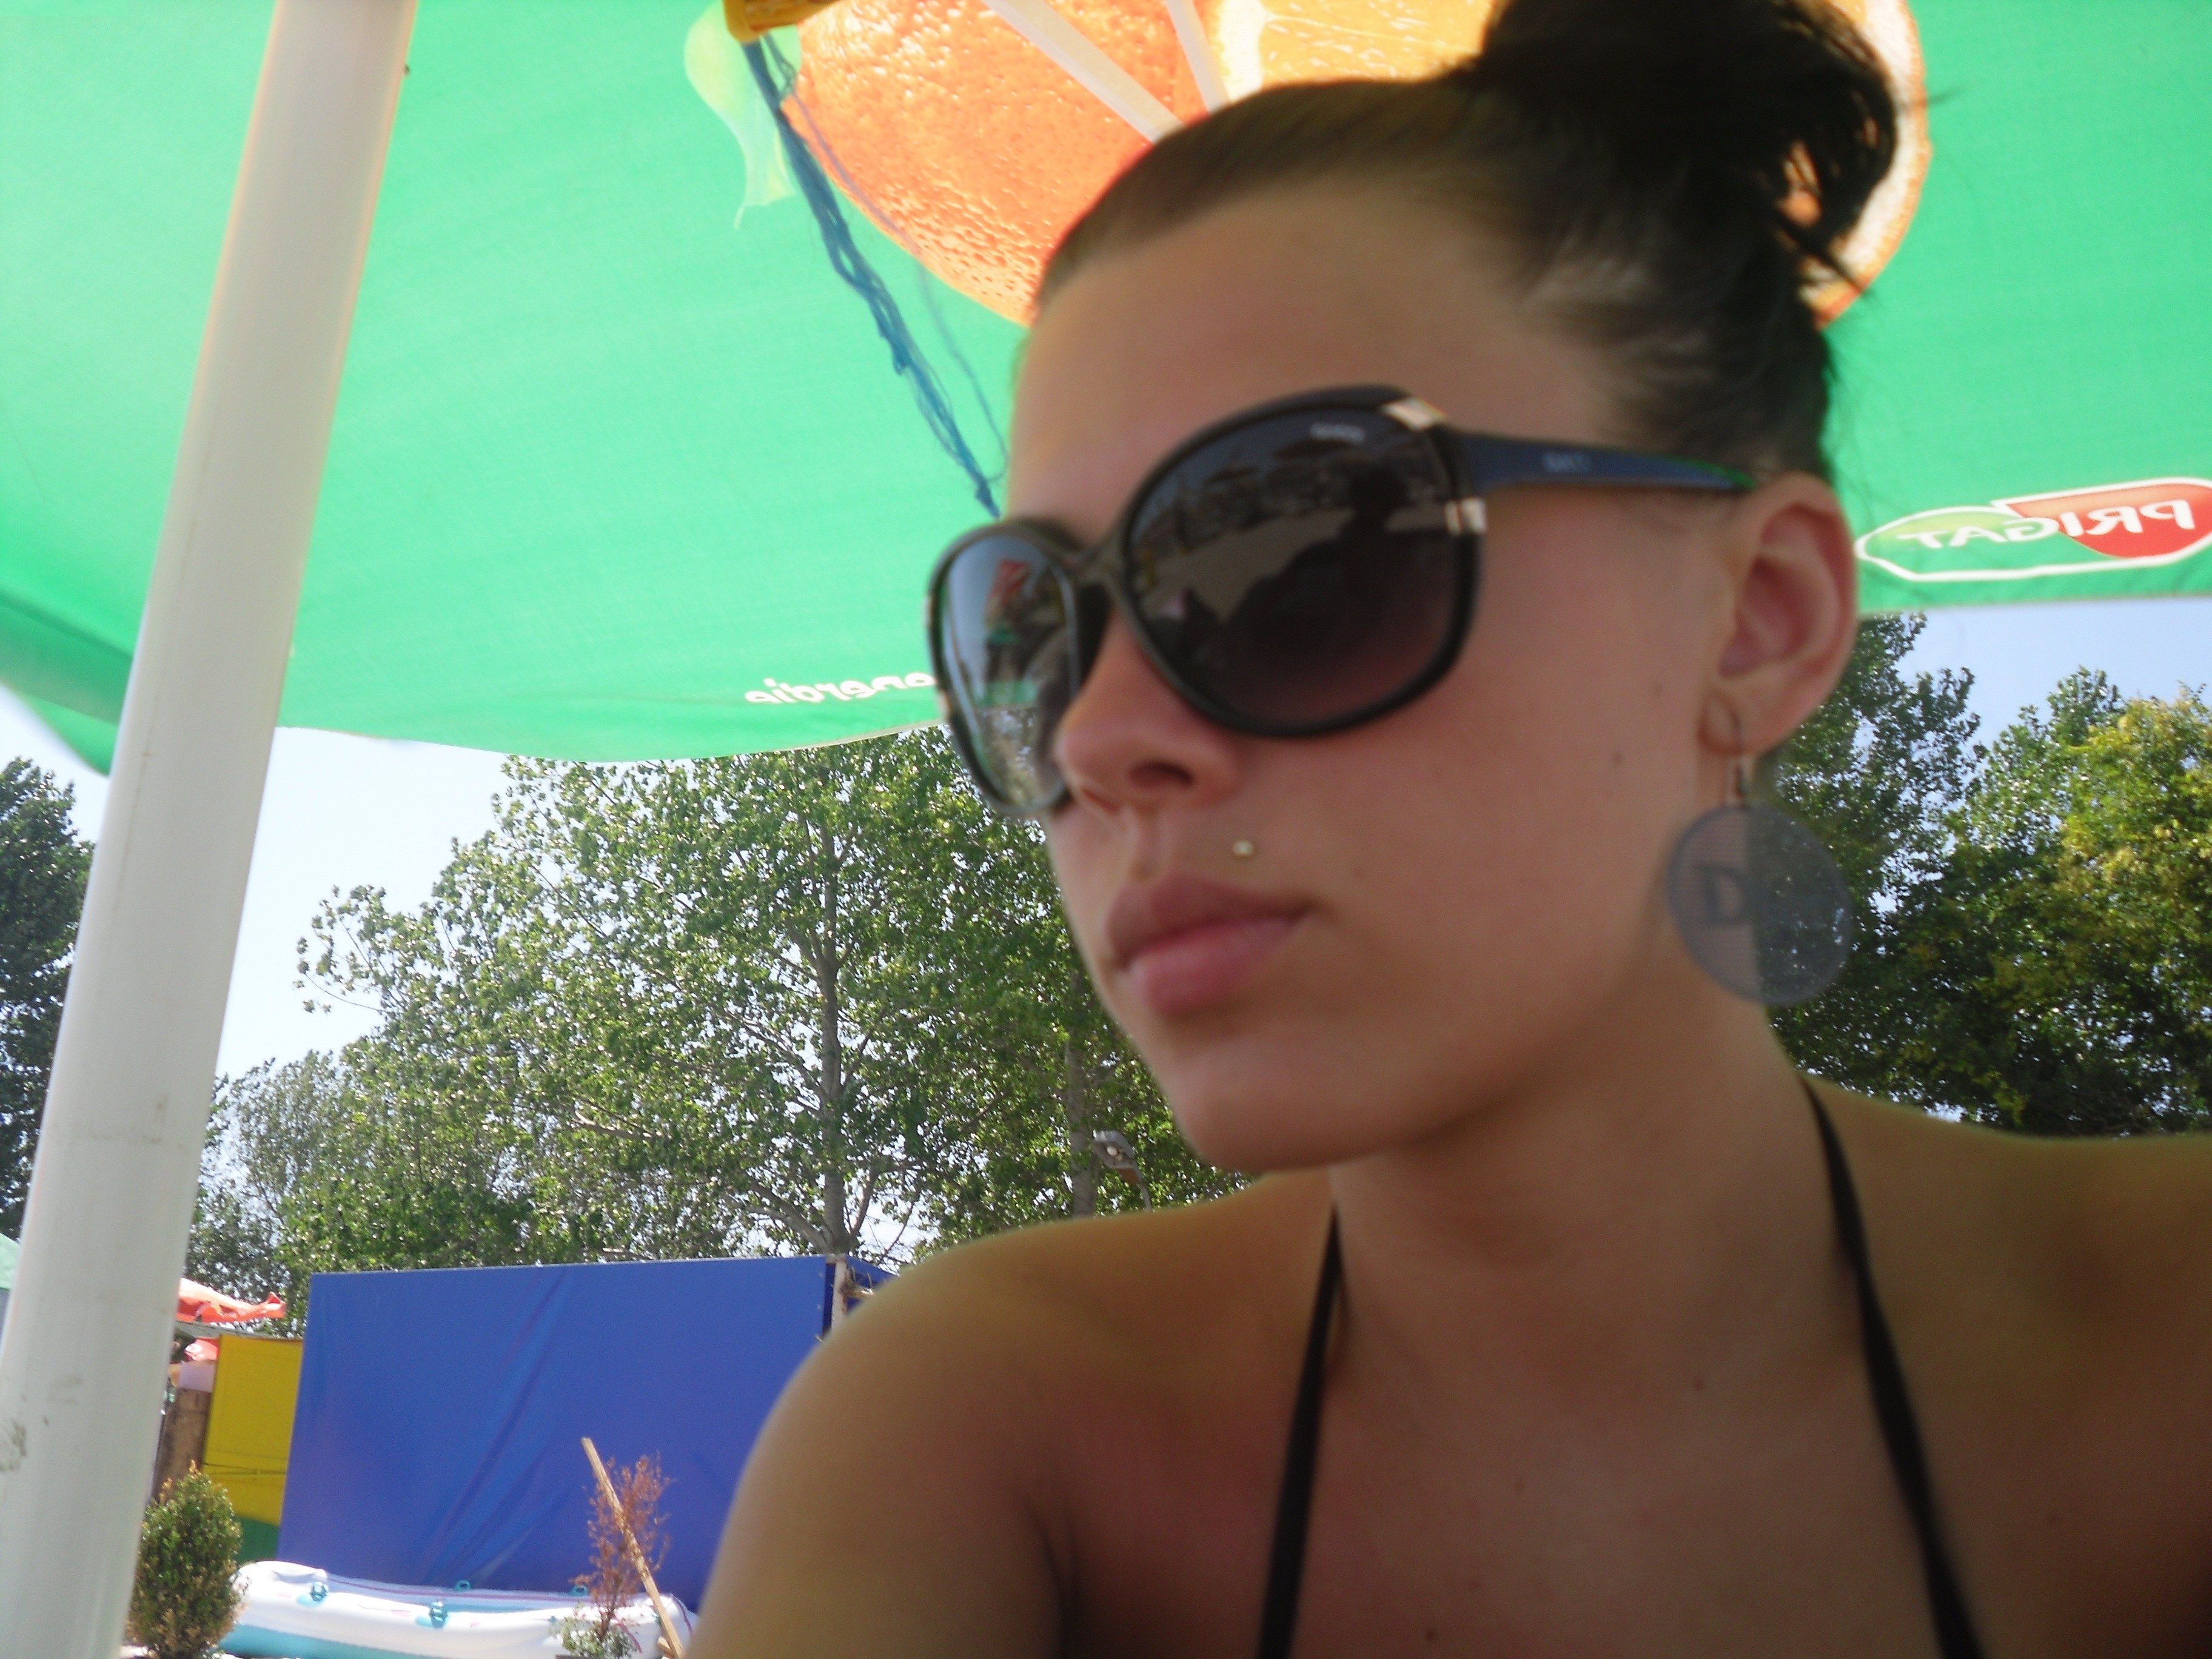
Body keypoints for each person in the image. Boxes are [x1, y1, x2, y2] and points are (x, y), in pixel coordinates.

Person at [689, 1, 2212, 1653]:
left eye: (1295, 549)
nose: (1104, 738)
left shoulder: (2171, 1354)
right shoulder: (983, 1431)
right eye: (1029, 629)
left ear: (1757, 619)